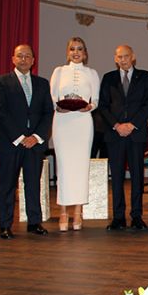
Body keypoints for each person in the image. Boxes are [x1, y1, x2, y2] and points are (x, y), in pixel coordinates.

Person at [0, 44, 53, 239]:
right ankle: (5, 225)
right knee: (7, 185)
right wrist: (20, 138)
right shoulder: (1, 82)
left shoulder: (42, 84)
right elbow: (0, 111)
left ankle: (34, 222)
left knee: (33, 184)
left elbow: (47, 112)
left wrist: (35, 137)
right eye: (20, 56)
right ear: (13, 59)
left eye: (28, 56)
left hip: (34, 144)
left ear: (33, 61)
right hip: (10, 143)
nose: (24, 59)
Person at [98, 45, 148, 231]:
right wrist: (117, 125)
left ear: (133, 57)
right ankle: (118, 217)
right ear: (115, 59)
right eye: (120, 57)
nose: (123, 60)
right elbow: (103, 106)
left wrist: (132, 125)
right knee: (117, 177)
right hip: (115, 135)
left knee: (137, 176)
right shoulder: (108, 78)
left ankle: (137, 216)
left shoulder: (145, 77)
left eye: (126, 56)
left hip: (136, 134)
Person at [49, 37, 100, 231]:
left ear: (85, 53)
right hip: (62, 123)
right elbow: (53, 97)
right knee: (63, 167)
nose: (76, 52)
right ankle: (63, 211)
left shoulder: (92, 73)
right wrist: (57, 106)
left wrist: (90, 106)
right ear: (67, 52)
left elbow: (95, 99)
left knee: (80, 167)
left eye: (79, 49)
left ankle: (78, 211)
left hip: (83, 123)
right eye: (72, 49)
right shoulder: (59, 71)